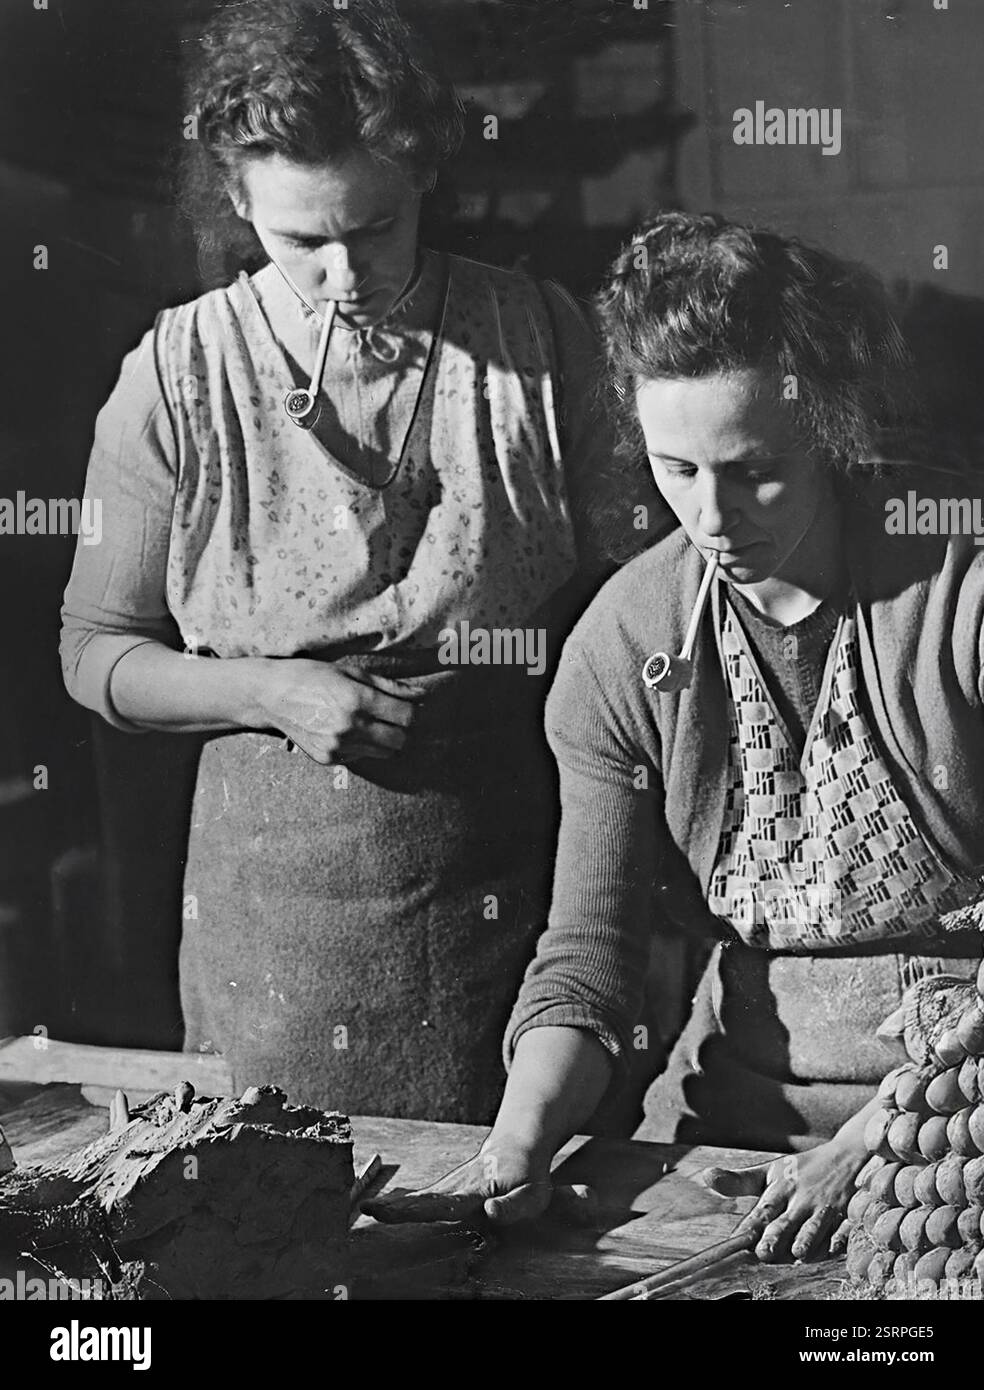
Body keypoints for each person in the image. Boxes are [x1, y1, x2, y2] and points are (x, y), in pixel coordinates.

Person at [366, 212, 984, 1257]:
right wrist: (515, 1146)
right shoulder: (628, 637)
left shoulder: (958, 584)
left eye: (754, 471)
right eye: (678, 469)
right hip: (739, 1130)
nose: (712, 515)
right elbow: (589, 959)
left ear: (831, 426)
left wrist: (894, 1133)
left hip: (960, 1128)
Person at [59, 0, 612, 1124]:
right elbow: (96, 653)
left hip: (511, 887)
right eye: (302, 241)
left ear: (423, 184)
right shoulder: (174, 380)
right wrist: (268, 689)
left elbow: (645, 607)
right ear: (235, 199)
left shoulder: (539, 341)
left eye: (375, 230)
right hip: (276, 919)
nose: (345, 274)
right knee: (276, 1224)